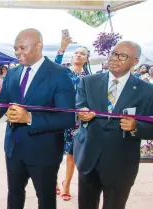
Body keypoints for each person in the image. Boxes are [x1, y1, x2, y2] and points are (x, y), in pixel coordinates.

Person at [0, 28, 76, 209]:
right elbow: (3, 102)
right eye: (16, 49)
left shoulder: (59, 74)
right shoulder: (12, 73)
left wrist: (30, 118)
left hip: (44, 151)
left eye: (22, 48)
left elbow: (67, 118)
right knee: (15, 196)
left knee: (45, 199)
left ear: (39, 46)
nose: (18, 53)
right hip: (14, 148)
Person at [74, 41, 153, 209]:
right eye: (114, 53)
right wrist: (82, 113)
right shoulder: (88, 82)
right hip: (88, 159)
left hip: (121, 165)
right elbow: (79, 106)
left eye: (122, 56)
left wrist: (136, 126)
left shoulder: (149, 92)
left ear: (135, 61)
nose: (114, 58)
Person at [54, 36, 91, 200]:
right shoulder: (63, 71)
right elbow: (52, 66)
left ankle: (67, 184)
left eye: (82, 53)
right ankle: (53, 182)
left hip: (77, 121)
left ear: (87, 58)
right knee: (54, 151)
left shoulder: (90, 78)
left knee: (71, 154)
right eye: (76, 52)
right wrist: (61, 49)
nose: (78, 55)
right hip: (58, 117)